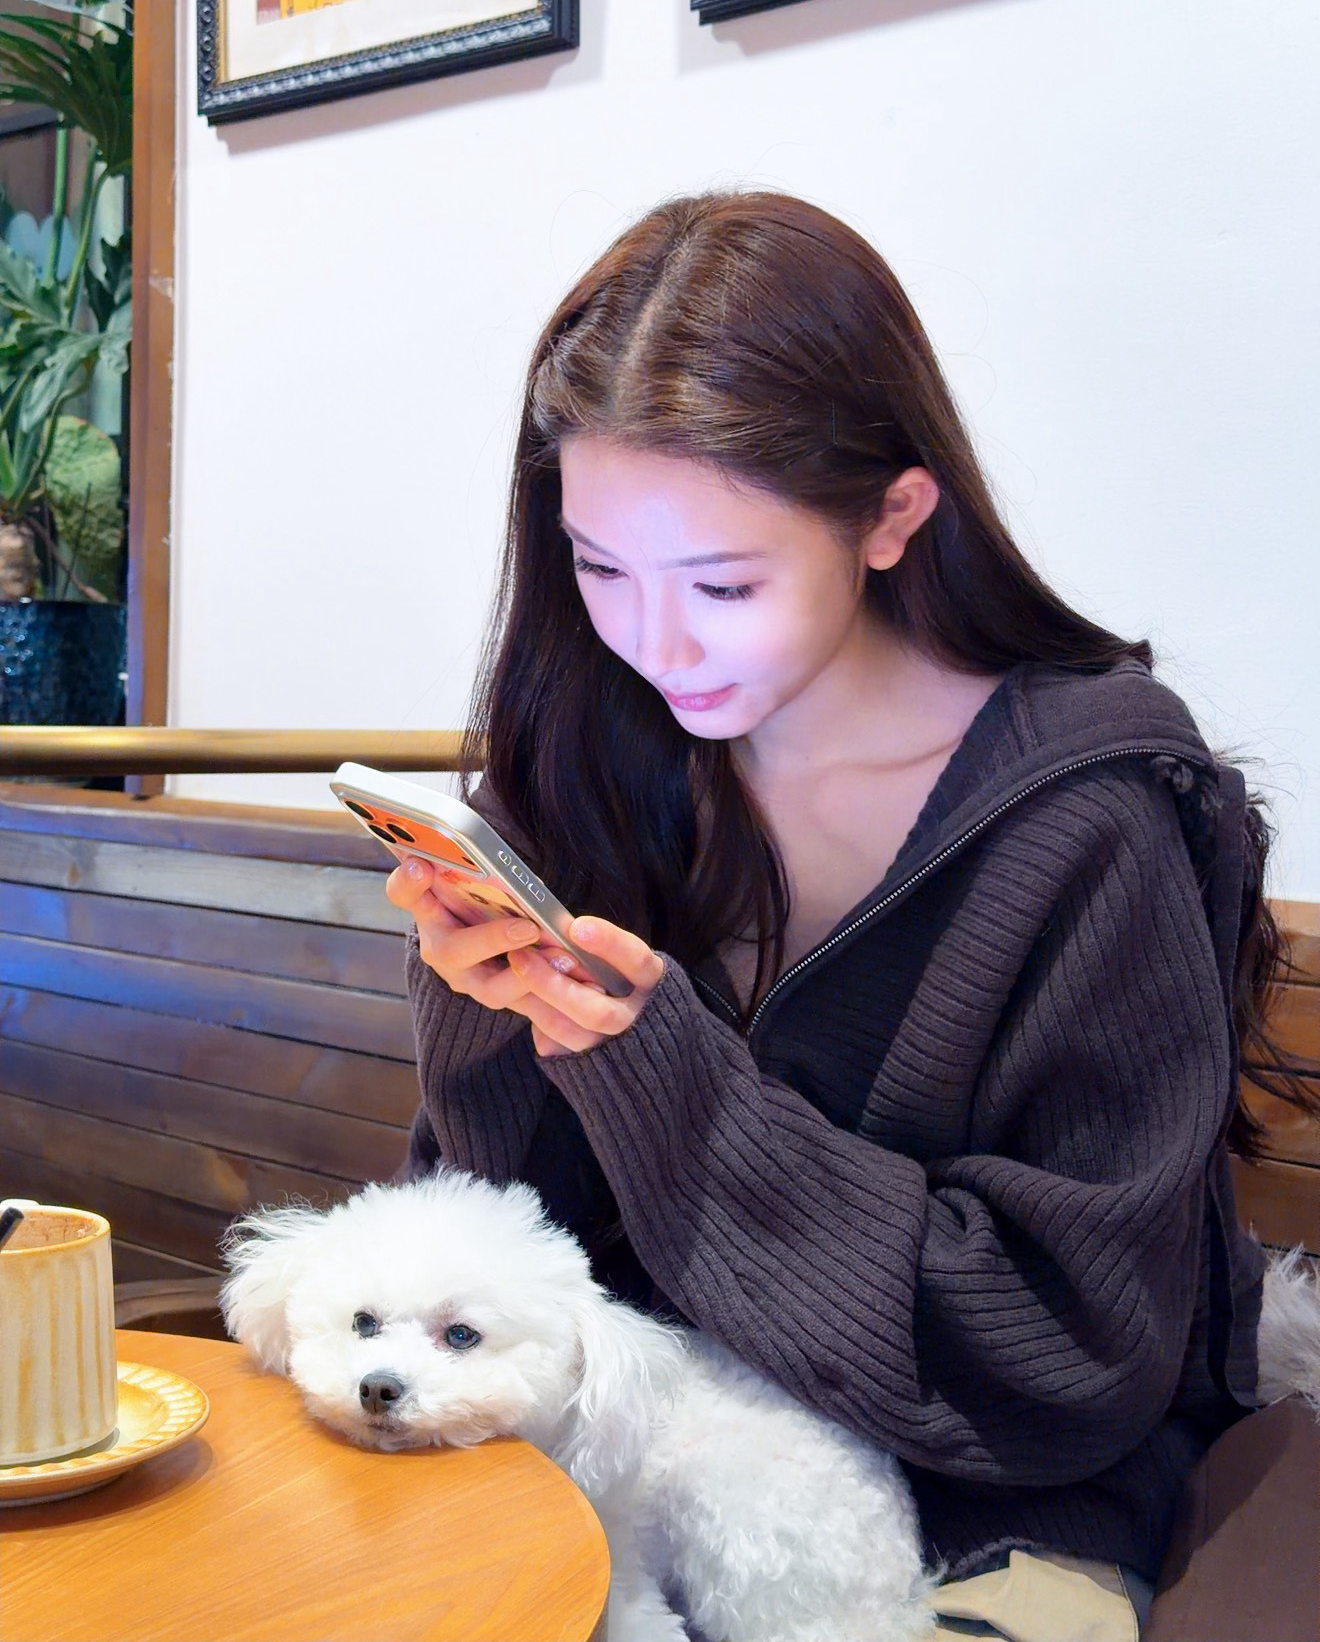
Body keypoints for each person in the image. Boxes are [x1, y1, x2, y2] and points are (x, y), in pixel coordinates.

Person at [387, 192, 1291, 1641]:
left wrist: (664, 1079)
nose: (654, 641)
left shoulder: (1087, 813)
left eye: (724, 582)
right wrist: (484, 1011)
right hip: (638, 1453)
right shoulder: (590, 760)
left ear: (890, 517)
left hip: (995, 1502)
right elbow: (514, 1250)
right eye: (599, 568)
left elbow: (1072, 1355)